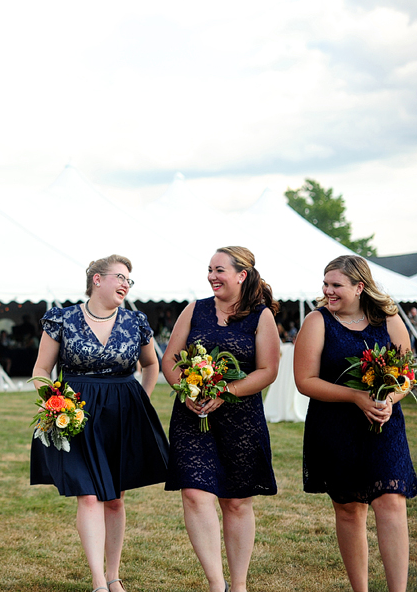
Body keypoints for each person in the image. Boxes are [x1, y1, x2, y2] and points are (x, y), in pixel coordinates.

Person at [29, 254, 169, 592]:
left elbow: (152, 365)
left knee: (115, 498)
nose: (125, 284)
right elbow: (40, 371)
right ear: (97, 279)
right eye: (120, 277)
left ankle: (113, 575)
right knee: (88, 495)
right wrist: (55, 402)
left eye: (129, 280)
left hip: (123, 412)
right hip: (75, 414)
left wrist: (142, 399)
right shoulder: (62, 319)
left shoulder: (136, 321)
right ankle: (97, 581)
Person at [293, 255, 416, 592]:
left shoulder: (388, 320)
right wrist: (355, 397)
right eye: (325, 284)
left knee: (391, 501)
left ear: (360, 287)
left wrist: (388, 400)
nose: (327, 291)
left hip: (384, 425)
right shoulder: (318, 322)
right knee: (350, 510)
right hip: (336, 427)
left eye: (336, 285)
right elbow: (304, 380)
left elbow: (407, 375)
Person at [162, 246, 280, 592]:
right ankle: (217, 584)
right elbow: (170, 359)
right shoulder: (194, 309)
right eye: (209, 270)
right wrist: (187, 392)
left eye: (220, 270)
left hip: (241, 419)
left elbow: (268, 370)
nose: (212, 276)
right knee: (195, 494)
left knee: (236, 500)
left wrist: (225, 392)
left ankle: (239, 585)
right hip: (192, 415)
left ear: (242, 275)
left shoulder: (261, 316)